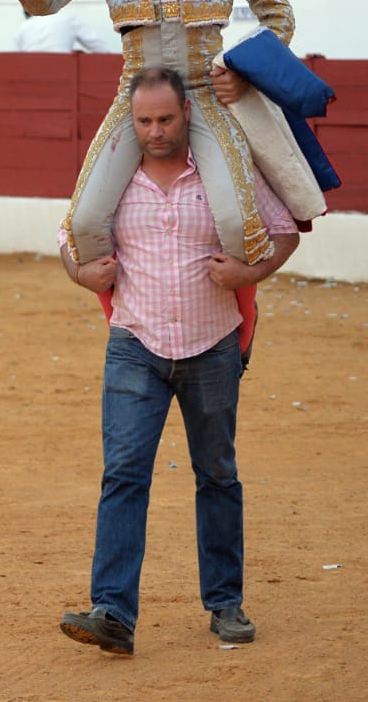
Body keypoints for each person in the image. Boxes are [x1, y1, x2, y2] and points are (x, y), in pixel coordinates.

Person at [55, 66, 297, 657]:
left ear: (186, 113)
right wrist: (82, 273)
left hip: (212, 342)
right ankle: (112, 610)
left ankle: (226, 603)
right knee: (123, 475)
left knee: (217, 473)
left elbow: (286, 229)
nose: (156, 131)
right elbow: (68, 240)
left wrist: (251, 272)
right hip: (134, 343)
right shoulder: (112, 179)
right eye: (144, 121)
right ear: (130, 120)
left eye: (165, 119)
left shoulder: (224, 170)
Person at [0, 0, 296, 268]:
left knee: (236, 225)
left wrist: (244, 74)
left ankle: (232, 328)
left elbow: (278, 14)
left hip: (205, 93)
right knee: (84, 226)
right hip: (134, 95)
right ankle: (132, 318)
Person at [14, 8, 111, 51]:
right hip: (63, 70)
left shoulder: (22, 28)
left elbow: (19, 60)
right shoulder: (67, 19)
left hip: (32, 75)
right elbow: (98, 45)